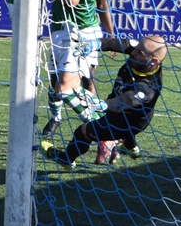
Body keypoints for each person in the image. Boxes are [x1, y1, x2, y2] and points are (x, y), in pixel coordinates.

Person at [40, 35, 168, 167]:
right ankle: (130, 147)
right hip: (126, 106)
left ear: (153, 61)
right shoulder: (142, 54)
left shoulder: (149, 88)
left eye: (139, 52)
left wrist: (103, 105)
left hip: (128, 120)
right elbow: (117, 43)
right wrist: (96, 44)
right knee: (117, 110)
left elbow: (124, 102)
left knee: (83, 132)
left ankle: (66, 159)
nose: (133, 52)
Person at [42, 0, 115, 135]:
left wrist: (110, 33)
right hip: (60, 29)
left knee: (77, 83)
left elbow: (98, 0)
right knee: (58, 81)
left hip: (83, 30)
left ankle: (106, 132)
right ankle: (57, 118)